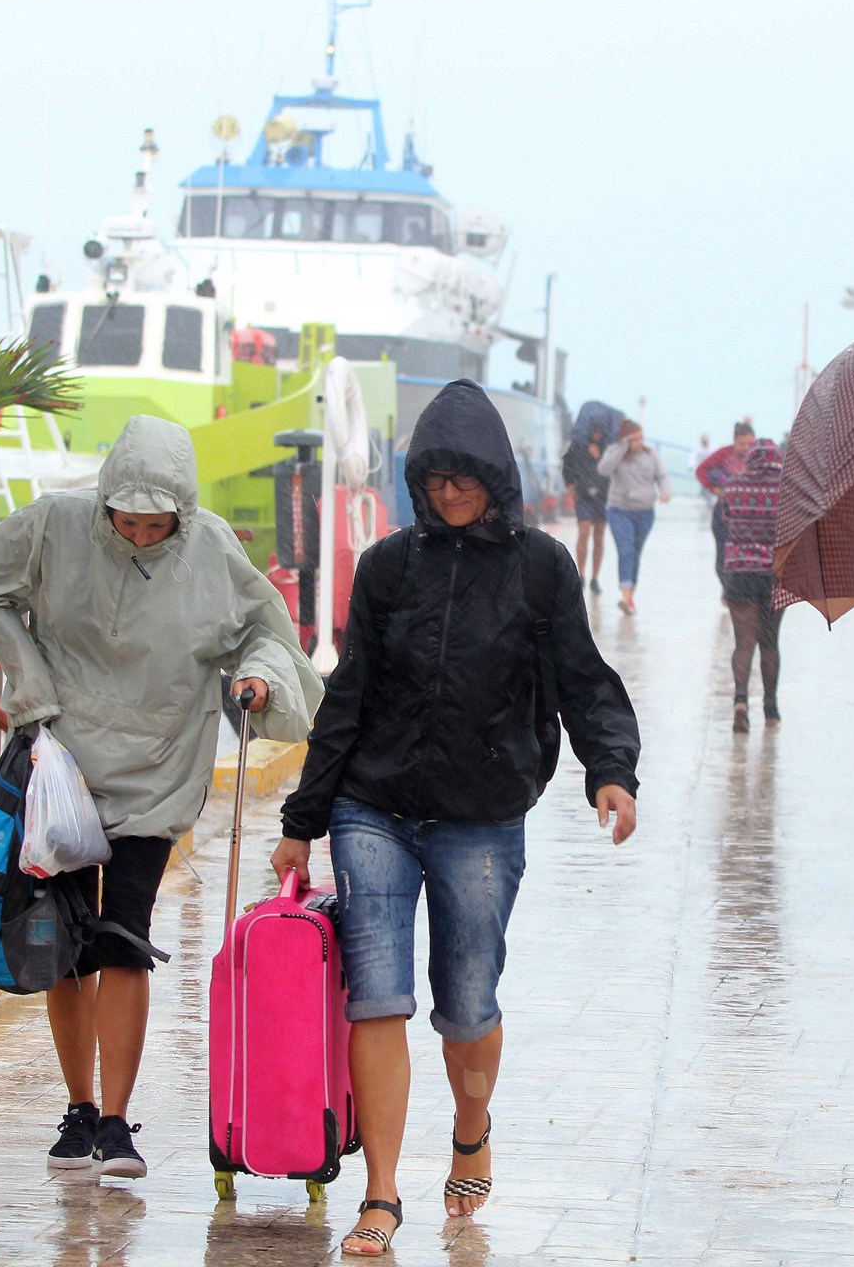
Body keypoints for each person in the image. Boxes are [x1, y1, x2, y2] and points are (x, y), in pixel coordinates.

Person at [273, 379, 641, 1257]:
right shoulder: (388, 567)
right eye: (433, 479)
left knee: (468, 1005)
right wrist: (305, 814)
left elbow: (583, 679)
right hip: (376, 810)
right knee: (377, 998)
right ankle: (382, 1195)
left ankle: (471, 1129)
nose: (447, 493)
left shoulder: (541, 567)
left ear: (496, 477)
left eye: (463, 477)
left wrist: (611, 773)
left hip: (482, 815)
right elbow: (348, 694)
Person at [0, 415, 322, 1180]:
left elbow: (266, 632)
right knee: (59, 946)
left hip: (157, 768)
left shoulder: (212, 547)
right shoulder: (54, 524)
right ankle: (78, 1107)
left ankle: (118, 1122)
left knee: (124, 937)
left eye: (159, 524)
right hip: (61, 768)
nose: (143, 532)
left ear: (182, 516)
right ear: (104, 502)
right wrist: (27, 673)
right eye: (128, 519)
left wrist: (257, 680)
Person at [719, 438, 784, 733]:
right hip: (775, 573)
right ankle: (770, 708)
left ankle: (740, 703)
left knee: (743, 643)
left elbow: (726, 522)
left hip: (741, 572)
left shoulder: (733, 486)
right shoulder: (787, 490)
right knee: (769, 643)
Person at [597, 419, 672, 614]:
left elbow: (662, 476)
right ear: (625, 439)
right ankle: (625, 593)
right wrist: (622, 448)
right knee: (625, 549)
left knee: (635, 552)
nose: (640, 443)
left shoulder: (651, 454)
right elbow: (603, 470)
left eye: (641, 438)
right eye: (635, 439)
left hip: (645, 512)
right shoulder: (614, 452)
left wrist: (665, 492)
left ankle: (630, 595)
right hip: (619, 510)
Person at [561, 403, 618, 593]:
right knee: (584, 530)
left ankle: (595, 578)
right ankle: (581, 574)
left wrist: (604, 453)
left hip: (603, 495)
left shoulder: (611, 447)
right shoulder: (577, 444)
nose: (597, 435)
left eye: (600, 432)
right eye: (594, 431)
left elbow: (617, 470)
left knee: (599, 533)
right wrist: (569, 485)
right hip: (583, 493)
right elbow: (567, 464)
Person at [696, 422, 758, 582]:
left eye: (749, 444)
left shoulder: (760, 457)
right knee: (723, 557)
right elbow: (701, 470)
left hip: (751, 516)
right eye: (741, 444)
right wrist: (712, 488)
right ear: (734, 442)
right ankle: (728, 591)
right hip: (724, 512)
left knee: (747, 558)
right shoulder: (724, 454)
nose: (745, 448)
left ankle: (739, 595)